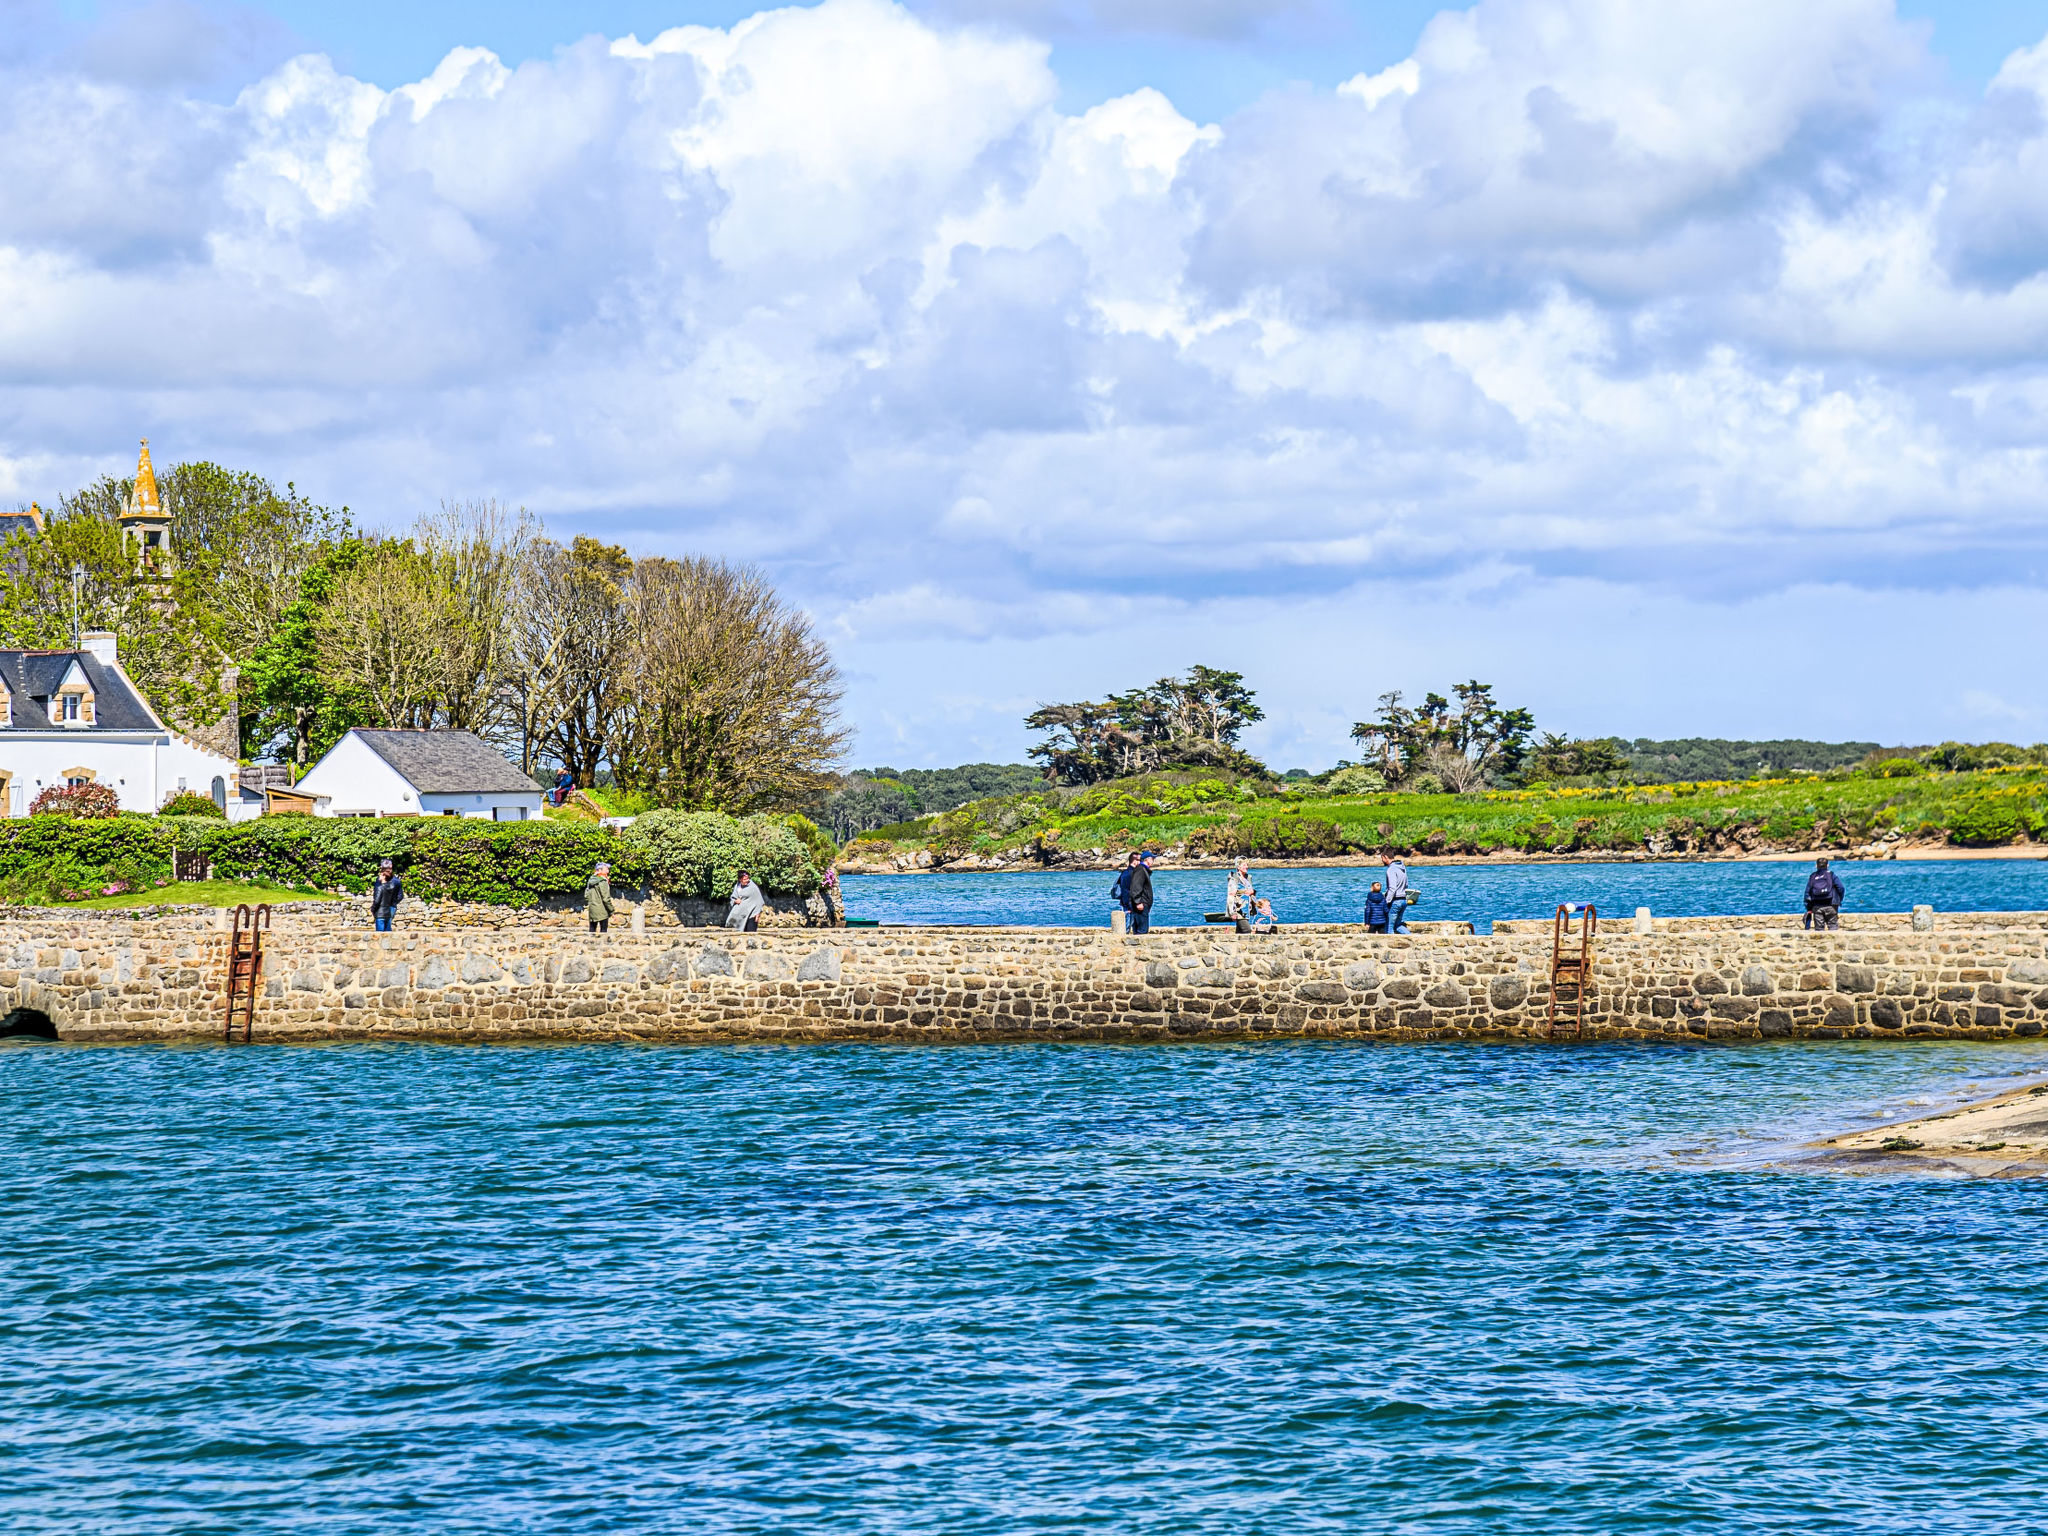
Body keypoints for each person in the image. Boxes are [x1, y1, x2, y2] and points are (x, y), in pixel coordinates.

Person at [1804, 858, 1845, 931]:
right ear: (1828, 865)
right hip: (1831, 905)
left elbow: (1807, 893)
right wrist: (1839, 900)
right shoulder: (1831, 875)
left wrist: (1808, 907)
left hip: (1817, 906)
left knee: (1819, 930)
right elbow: (1841, 888)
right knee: (1833, 927)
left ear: (1816, 866)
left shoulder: (1813, 876)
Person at [370, 859, 403, 933]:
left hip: (384, 906)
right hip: (390, 906)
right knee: (387, 928)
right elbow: (400, 895)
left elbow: (377, 895)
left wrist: (373, 908)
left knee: (382, 930)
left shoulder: (381, 880)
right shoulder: (396, 881)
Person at [1128, 850, 1156, 934]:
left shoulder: (1143, 869)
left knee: (1141, 929)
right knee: (1142, 930)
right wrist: (1138, 902)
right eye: (1152, 859)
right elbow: (1136, 886)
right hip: (1140, 905)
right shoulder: (1140, 869)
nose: (1153, 861)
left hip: (1144, 904)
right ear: (1147, 859)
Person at [584, 861, 615, 934]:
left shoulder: (590, 880)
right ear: (599, 870)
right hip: (602, 910)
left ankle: (591, 944)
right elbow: (606, 898)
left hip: (592, 909)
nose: (608, 870)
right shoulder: (602, 881)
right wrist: (611, 911)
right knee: (603, 932)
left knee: (592, 931)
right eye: (606, 869)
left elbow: (586, 895)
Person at [1111, 852, 1140, 927]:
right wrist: (1129, 906)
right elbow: (1127, 891)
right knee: (1128, 928)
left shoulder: (1125, 873)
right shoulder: (1131, 874)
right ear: (1135, 861)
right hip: (1129, 906)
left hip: (1126, 905)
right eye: (1140, 860)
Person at [1385, 856, 1411, 934]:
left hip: (1396, 901)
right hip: (1404, 900)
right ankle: (1412, 937)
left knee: (1389, 927)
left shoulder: (1391, 869)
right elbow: (1406, 884)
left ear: (1385, 857)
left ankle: (1389, 944)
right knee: (1397, 925)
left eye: (1382, 858)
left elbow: (1392, 888)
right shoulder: (1402, 868)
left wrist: (1386, 902)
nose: (1382, 860)